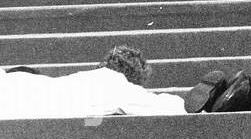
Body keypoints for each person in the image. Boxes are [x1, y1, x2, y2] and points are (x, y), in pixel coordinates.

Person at [0, 46, 184, 120]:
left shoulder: (85, 79)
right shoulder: (117, 86)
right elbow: (166, 106)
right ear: (135, 81)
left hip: (18, 89)